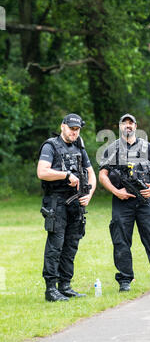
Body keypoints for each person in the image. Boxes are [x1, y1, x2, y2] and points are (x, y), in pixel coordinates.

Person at [99, 113, 150, 293]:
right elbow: (102, 175)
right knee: (121, 241)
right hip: (122, 202)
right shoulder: (112, 149)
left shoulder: (148, 147)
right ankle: (125, 281)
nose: (128, 126)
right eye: (124, 123)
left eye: (131, 123)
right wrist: (116, 191)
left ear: (136, 126)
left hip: (146, 201)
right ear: (119, 126)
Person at [37, 113, 96, 302]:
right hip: (57, 202)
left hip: (76, 203)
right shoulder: (50, 146)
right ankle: (51, 289)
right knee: (56, 246)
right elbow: (42, 172)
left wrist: (89, 194)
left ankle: (65, 285)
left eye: (77, 129)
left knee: (71, 245)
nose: (74, 132)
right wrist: (65, 176)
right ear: (62, 126)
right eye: (71, 128)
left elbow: (91, 174)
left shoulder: (80, 147)